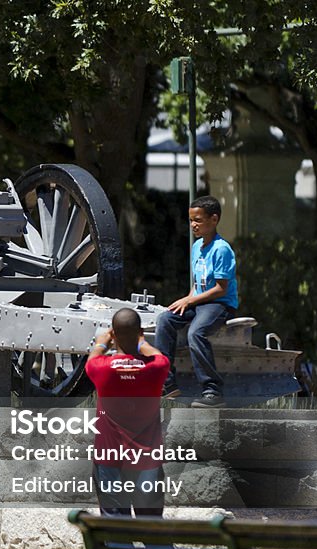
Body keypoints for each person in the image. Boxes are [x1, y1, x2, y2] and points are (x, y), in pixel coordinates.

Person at [154, 195, 239, 408]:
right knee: (165, 320)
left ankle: (212, 391)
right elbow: (197, 283)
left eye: (198, 220)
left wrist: (190, 301)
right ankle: (167, 383)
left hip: (220, 304)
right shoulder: (197, 246)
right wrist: (187, 299)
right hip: (200, 301)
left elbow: (220, 289)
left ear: (214, 219)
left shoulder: (221, 249)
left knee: (195, 332)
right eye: (191, 220)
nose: (193, 225)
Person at [85, 308, 171, 517]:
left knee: (114, 527)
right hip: (147, 459)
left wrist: (102, 342)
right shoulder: (156, 368)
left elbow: (91, 360)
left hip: (109, 457)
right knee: (151, 526)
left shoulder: (102, 368)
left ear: (113, 334)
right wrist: (141, 341)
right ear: (140, 332)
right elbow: (158, 355)